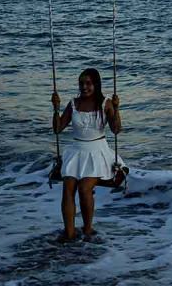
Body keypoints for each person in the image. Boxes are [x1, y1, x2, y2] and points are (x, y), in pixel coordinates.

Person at [51, 68, 123, 242]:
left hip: (97, 151)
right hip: (76, 151)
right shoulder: (73, 103)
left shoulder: (105, 103)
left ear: (96, 84)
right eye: (81, 83)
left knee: (84, 188)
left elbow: (116, 130)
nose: (84, 87)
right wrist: (56, 109)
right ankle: (69, 233)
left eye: (88, 83)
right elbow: (57, 129)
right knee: (68, 187)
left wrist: (117, 108)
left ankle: (88, 229)